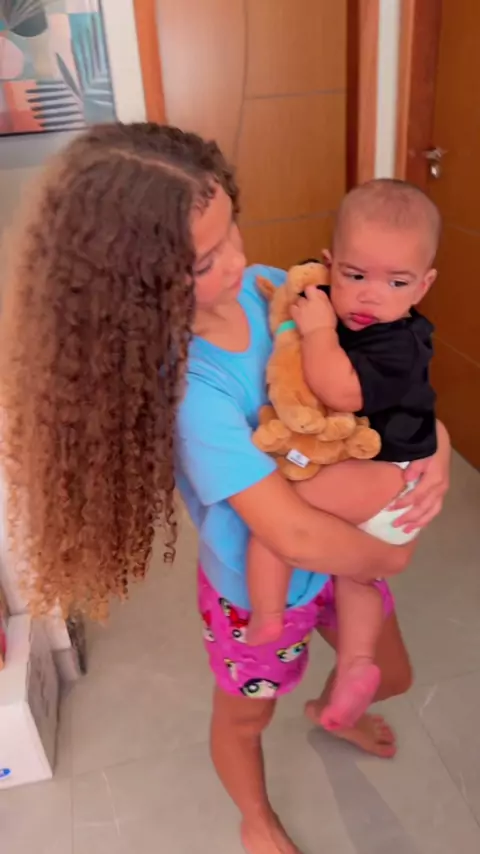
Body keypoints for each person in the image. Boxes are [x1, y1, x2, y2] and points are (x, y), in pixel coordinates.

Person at [0, 124, 450, 854]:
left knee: (390, 674)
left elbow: (385, 386)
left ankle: (330, 709)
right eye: (207, 260)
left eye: (232, 227)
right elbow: (290, 532)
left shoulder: (273, 288)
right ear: (139, 285)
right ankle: (254, 816)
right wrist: (390, 556)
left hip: (337, 558)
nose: (239, 259)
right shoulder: (191, 389)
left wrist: (439, 447)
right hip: (257, 591)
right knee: (247, 718)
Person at [246, 180, 442, 736]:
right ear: (330, 264)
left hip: (392, 480)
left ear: (423, 285)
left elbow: (341, 392)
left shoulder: (399, 342)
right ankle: (357, 663)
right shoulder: (330, 296)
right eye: (355, 276)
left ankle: (267, 616)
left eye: (396, 282)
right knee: (358, 581)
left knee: (279, 514)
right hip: (379, 481)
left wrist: (316, 332)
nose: (369, 297)